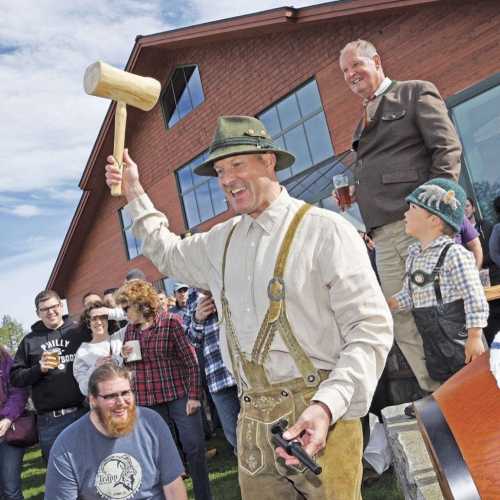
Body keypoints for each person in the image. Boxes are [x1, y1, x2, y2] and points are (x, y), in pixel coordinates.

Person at [105, 115, 393, 499]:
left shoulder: (326, 231)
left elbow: (370, 329)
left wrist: (327, 406)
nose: (226, 179)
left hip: (324, 413)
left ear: (269, 161)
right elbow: (167, 252)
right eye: (221, 170)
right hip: (253, 421)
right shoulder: (219, 242)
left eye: (237, 164)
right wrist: (134, 192)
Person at [339, 39, 462, 395]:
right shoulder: (361, 120)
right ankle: (440, 395)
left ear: (376, 61)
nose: (350, 76)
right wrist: (354, 191)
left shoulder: (414, 93)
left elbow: (447, 149)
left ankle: (475, 395)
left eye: (356, 66)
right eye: (345, 72)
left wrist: (433, 210)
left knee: (439, 311)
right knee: (402, 316)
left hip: (416, 226)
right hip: (382, 236)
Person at [115, 280, 212, 500]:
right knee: (163, 456)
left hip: (179, 395)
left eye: (126, 308)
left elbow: (191, 362)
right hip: (149, 401)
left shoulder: (171, 322)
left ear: (140, 304)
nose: (124, 313)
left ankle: (204, 496)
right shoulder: (130, 331)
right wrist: (124, 357)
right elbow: (132, 368)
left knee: (194, 448)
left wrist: (194, 397)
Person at [388, 179, 488, 383]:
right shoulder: (414, 256)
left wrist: (475, 336)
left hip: (458, 339)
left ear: (434, 220)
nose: (405, 214)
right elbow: (411, 294)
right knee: (448, 384)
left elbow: (474, 296)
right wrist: (391, 303)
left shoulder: (454, 254)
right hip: (433, 342)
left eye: (412, 208)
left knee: (475, 385)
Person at [44, 364, 187, 500]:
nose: (121, 402)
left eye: (125, 393)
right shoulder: (66, 445)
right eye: (111, 396)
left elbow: (173, 487)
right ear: (92, 400)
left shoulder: (151, 423)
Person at [10, 290, 88, 463]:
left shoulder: (79, 332)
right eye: (44, 309)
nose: (50, 311)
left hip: (84, 413)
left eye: (54, 306)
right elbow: (15, 378)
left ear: (61, 306)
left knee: (92, 467)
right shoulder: (30, 341)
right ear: (38, 313)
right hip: (51, 421)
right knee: (59, 475)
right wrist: (39, 369)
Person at [186, 289, 240, 450]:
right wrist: (197, 319)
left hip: (246, 371)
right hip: (217, 375)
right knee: (234, 436)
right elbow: (191, 340)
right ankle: (251, 473)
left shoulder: (229, 279)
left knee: (265, 427)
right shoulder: (193, 297)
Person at [73, 301, 123, 396]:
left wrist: (111, 312)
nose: (99, 322)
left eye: (103, 317)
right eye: (94, 319)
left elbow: (138, 315)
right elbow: (84, 389)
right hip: (103, 403)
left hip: (128, 398)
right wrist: (96, 368)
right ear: (88, 324)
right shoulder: (82, 352)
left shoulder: (121, 336)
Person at [0, 345, 28, 500]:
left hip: (9, 431)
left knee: (10, 489)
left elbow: (18, 392)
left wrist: (8, 418)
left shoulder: (5, 361)